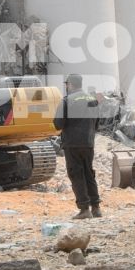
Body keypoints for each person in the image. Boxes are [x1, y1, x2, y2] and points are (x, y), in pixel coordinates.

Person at [56, 74, 104, 218]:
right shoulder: (92, 100)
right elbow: (97, 124)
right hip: (88, 143)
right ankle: (96, 207)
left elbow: (58, 123)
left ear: (70, 85)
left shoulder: (66, 101)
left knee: (76, 174)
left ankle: (84, 209)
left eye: (67, 85)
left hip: (72, 143)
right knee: (89, 173)